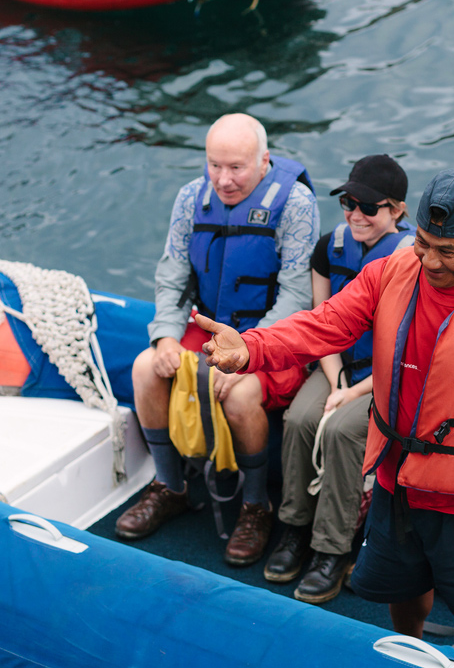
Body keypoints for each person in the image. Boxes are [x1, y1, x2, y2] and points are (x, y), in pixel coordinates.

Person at [195, 169, 454, 668]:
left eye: (447, 251)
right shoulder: (391, 271)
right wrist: (251, 347)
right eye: (423, 243)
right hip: (398, 482)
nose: (430, 261)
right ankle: (408, 658)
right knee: (402, 588)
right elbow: (326, 324)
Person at [115, 113, 320, 568]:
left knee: (241, 394)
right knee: (146, 368)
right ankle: (170, 487)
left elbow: (296, 295)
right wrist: (165, 337)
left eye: (236, 168)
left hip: (271, 336)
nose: (223, 180)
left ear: (264, 161)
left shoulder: (296, 203)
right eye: (214, 166)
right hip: (209, 326)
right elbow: (173, 276)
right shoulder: (191, 198)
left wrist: (248, 351)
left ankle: (255, 506)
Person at [263, 155, 415, 604]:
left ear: (397, 210)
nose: (355, 214)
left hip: (388, 376)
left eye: (368, 207)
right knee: (300, 419)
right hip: (338, 365)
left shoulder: (411, 260)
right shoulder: (328, 248)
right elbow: (321, 324)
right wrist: (335, 385)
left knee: (344, 430)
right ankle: (294, 527)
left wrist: (352, 394)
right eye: (349, 203)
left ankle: (332, 548)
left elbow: (407, 349)